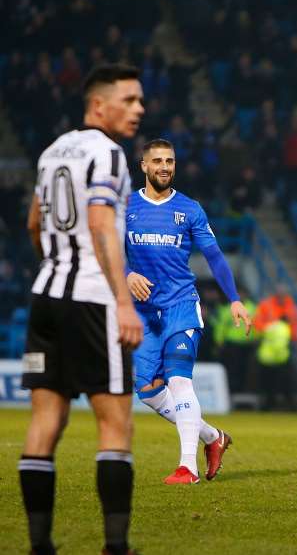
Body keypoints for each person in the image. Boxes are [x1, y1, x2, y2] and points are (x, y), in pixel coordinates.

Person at [20, 64, 145, 555]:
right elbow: (98, 223)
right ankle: (116, 548)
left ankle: (39, 547)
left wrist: (54, 264)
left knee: (44, 420)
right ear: (99, 105)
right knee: (115, 422)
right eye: (130, 100)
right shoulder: (109, 154)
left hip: (44, 300)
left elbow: (34, 222)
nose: (139, 109)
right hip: (93, 302)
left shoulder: (53, 152)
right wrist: (121, 300)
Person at [125, 138, 252, 485]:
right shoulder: (125, 207)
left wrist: (235, 299)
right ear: (144, 166)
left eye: (170, 161)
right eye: (158, 161)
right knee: (149, 392)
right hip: (142, 313)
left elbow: (214, 257)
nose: (165, 167)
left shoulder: (190, 209)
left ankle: (187, 468)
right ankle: (213, 438)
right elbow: (106, 253)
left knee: (179, 380)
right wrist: (127, 274)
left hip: (181, 306)